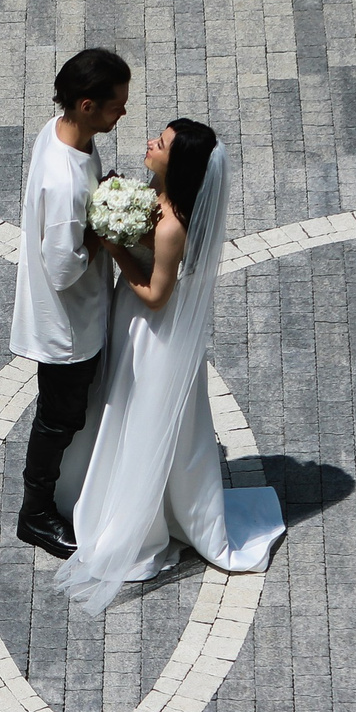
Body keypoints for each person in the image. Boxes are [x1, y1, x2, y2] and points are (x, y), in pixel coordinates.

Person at [53, 118, 283, 615]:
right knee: (127, 410)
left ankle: (143, 520)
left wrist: (113, 247)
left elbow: (157, 296)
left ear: (178, 165)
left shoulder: (173, 222)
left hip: (154, 332)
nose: (151, 142)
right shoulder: (153, 194)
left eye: (162, 144)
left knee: (144, 420)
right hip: (132, 319)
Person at [10, 48, 130, 559]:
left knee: (65, 414)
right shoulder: (64, 182)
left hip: (77, 315)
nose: (122, 112)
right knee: (59, 418)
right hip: (67, 326)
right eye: (115, 105)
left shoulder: (60, 133)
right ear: (86, 105)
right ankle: (35, 514)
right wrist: (104, 233)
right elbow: (63, 268)